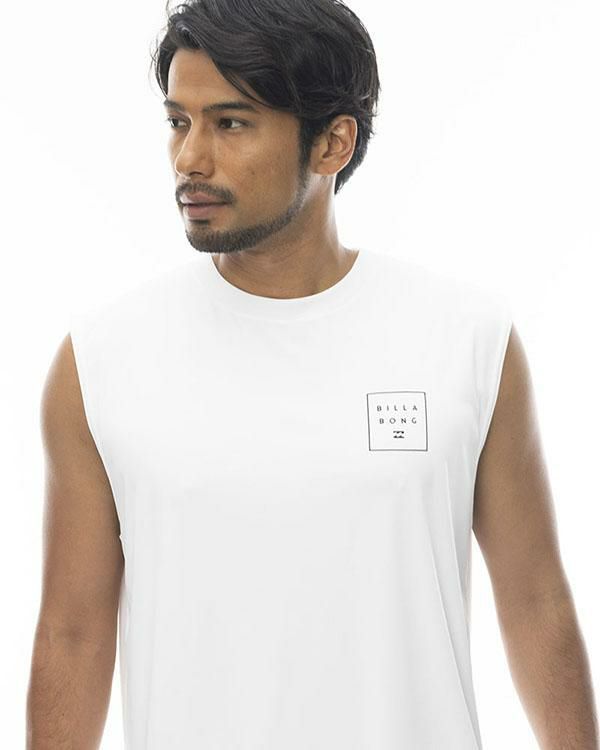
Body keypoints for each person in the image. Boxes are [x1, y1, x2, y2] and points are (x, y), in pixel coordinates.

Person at [26, 0, 598, 748]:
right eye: (178, 121)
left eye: (230, 123)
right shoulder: (101, 361)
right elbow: (71, 634)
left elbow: (535, 603)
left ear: (333, 143)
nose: (189, 158)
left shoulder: (466, 340)